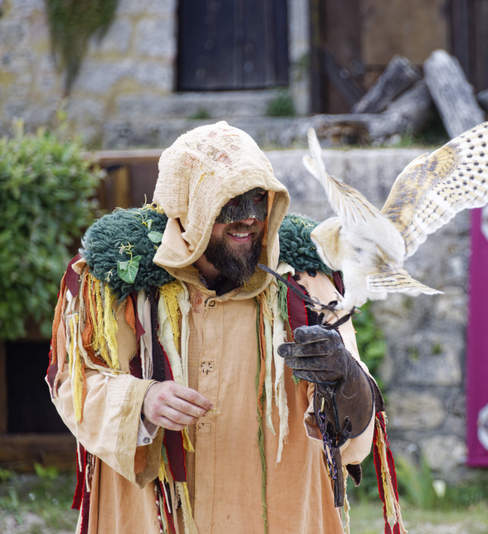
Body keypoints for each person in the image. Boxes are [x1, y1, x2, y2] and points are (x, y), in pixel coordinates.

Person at [46, 122, 404, 534]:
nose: (248, 217)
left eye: (258, 199)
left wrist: (343, 379)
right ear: (188, 205)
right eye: (228, 202)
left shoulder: (307, 286)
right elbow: (72, 382)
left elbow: (354, 433)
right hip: (153, 516)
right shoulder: (115, 284)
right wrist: (141, 401)